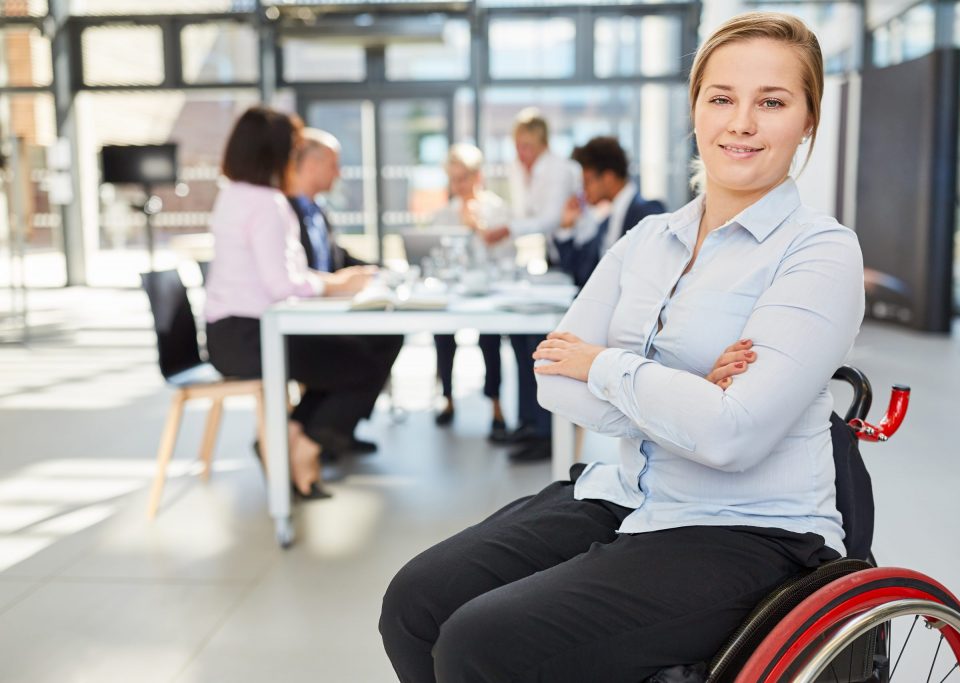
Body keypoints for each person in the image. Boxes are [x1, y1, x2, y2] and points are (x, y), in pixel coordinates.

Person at [379, 12, 865, 682]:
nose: (741, 122)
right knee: (415, 601)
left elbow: (732, 438)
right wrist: (687, 389)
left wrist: (608, 365)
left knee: (479, 642)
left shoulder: (820, 252)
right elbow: (554, 376)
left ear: (807, 119)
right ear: (695, 109)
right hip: (623, 491)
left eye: (772, 102)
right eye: (721, 97)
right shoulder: (648, 238)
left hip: (747, 528)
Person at [203, 106, 378, 498]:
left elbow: (287, 275)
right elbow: (282, 285)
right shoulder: (267, 203)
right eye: (293, 148)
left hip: (229, 334)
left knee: (346, 359)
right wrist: (335, 286)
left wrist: (332, 282)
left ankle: (293, 433)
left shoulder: (234, 195)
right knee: (361, 364)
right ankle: (304, 445)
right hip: (253, 337)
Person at [287, 127, 404, 456]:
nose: (339, 173)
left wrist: (379, 268)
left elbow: (337, 256)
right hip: (298, 327)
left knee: (390, 336)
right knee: (360, 364)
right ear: (311, 164)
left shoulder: (316, 210)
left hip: (325, 318)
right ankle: (318, 435)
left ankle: (339, 426)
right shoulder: (285, 213)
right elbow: (297, 275)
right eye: (333, 164)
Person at [480, 108, 578, 463]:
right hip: (553, 255)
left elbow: (550, 219)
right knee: (522, 338)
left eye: (527, 145)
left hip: (574, 256)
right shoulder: (525, 169)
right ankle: (529, 421)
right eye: (518, 146)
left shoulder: (556, 169)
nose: (521, 152)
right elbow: (525, 213)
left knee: (540, 341)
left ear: (541, 143)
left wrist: (508, 230)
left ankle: (544, 429)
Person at [430, 143, 510, 440]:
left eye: (463, 177)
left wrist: (476, 226)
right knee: (442, 333)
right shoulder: (443, 214)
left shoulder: (497, 209)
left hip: (487, 290)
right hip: (454, 292)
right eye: (453, 179)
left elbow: (506, 257)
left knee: (489, 339)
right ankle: (447, 399)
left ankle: (496, 406)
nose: (458, 185)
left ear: (477, 176)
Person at [555, 136, 667, 288]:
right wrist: (567, 227)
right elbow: (580, 274)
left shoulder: (649, 213)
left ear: (608, 178)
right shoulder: (606, 223)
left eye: (587, 182)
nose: (583, 190)